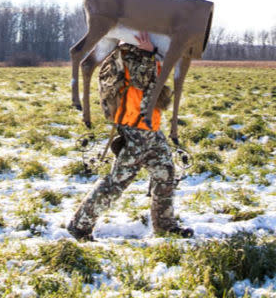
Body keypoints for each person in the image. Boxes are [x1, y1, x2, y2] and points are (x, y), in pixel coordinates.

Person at [67, 31, 193, 241]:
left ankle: (165, 227)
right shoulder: (127, 54)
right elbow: (141, 81)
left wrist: (151, 54)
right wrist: (148, 53)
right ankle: (80, 225)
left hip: (149, 128)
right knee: (118, 181)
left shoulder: (143, 53)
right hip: (137, 129)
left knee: (166, 173)